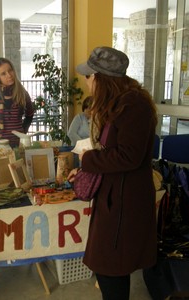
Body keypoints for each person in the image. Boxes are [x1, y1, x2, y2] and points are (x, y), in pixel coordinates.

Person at [67, 47, 157, 300]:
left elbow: (129, 156)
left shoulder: (133, 105)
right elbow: (115, 151)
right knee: (108, 266)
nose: (86, 81)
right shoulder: (121, 102)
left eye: (88, 76)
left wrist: (89, 159)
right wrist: (85, 169)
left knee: (111, 267)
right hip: (115, 196)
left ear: (100, 78)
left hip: (125, 202)